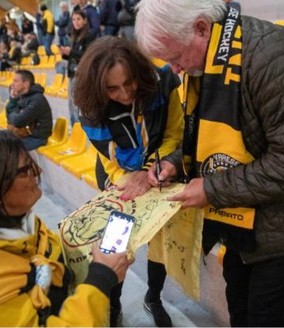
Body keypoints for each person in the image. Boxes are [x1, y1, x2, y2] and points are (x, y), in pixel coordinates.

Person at [136, 1, 284, 325]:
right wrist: (174, 164)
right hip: (239, 224)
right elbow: (203, 140)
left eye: (175, 57)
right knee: (238, 310)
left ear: (201, 28)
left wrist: (212, 189)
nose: (175, 70)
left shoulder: (274, 55)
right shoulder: (205, 63)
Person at [74, 36, 182, 326]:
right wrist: (127, 178)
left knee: (159, 240)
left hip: (160, 170)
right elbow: (108, 157)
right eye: (113, 88)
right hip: (117, 177)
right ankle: (112, 305)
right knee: (115, 243)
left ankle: (154, 297)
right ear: (98, 88)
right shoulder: (89, 104)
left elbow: (173, 134)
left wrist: (149, 171)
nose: (124, 94)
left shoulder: (164, 82)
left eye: (129, 83)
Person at [0, 130, 133, 326]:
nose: (38, 171)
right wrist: (101, 278)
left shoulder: (23, 222)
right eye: (26, 170)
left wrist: (91, 256)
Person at [61, 9, 96, 127]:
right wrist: (65, 53)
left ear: (85, 20)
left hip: (82, 73)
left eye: (78, 19)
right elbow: (73, 56)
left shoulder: (89, 36)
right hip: (72, 72)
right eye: (74, 19)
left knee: (77, 104)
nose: (76, 22)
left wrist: (71, 52)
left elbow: (88, 56)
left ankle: (79, 129)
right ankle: (74, 128)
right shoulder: (73, 36)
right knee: (70, 103)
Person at [6, 69, 53, 151]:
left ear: (26, 84)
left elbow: (18, 121)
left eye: (16, 81)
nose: (12, 84)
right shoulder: (23, 96)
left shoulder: (37, 100)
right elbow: (9, 118)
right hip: (25, 135)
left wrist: (14, 115)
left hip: (37, 138)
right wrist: (13, 99)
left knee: (6, 148)